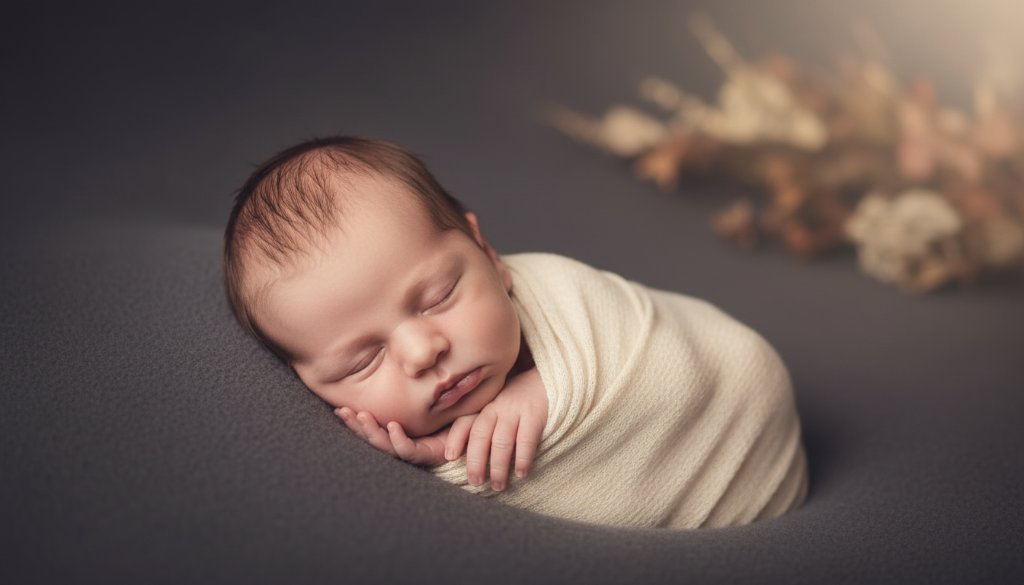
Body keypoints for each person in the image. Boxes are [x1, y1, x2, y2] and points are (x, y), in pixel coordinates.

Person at [224, 136, 808, 529]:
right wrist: (443, 459)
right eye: (362, 361)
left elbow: (693, 363)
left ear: (487, 252)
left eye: (438, 296)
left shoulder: (567, 299)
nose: (423, 351)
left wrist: (543, 392)